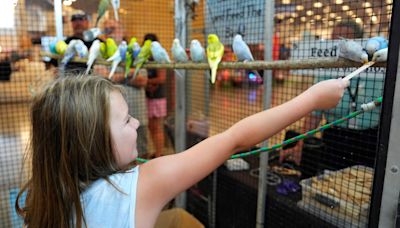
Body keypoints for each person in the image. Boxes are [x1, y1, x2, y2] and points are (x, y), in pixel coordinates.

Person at [15, 74, 348, 227]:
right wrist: (313, 99)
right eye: (127, 120)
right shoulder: (142, 185)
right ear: (93, 142)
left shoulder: (46, 200)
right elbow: (235, 138)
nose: (137, 126)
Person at [280, 20, 382, 172]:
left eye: (344, 40)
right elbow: (314, 115)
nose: (338, 46)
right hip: (334, 137)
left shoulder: (377, 72)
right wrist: (300, 145)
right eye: (334, 40)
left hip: (368, 140)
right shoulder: (326, 73)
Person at [94, 19, 149, 157]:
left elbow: (142, 80)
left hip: (138, 113)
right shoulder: (101, 52)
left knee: (141, 152)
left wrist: (115, 76)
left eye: (113, 28)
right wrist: (130, 73)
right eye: (106, 30)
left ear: (122, 30)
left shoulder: (134, 50)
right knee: (114, 156)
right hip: (111, 119)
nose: (110, 33)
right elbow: (102, 79)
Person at [143, 33, 168, 158]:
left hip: (158, 97)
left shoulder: (159, 58)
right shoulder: (147, 58)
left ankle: (159, 154)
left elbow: (162, 78)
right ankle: (157, 152)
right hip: (148, 96)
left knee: (157, 127)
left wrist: (147, 82)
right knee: (151, 126)